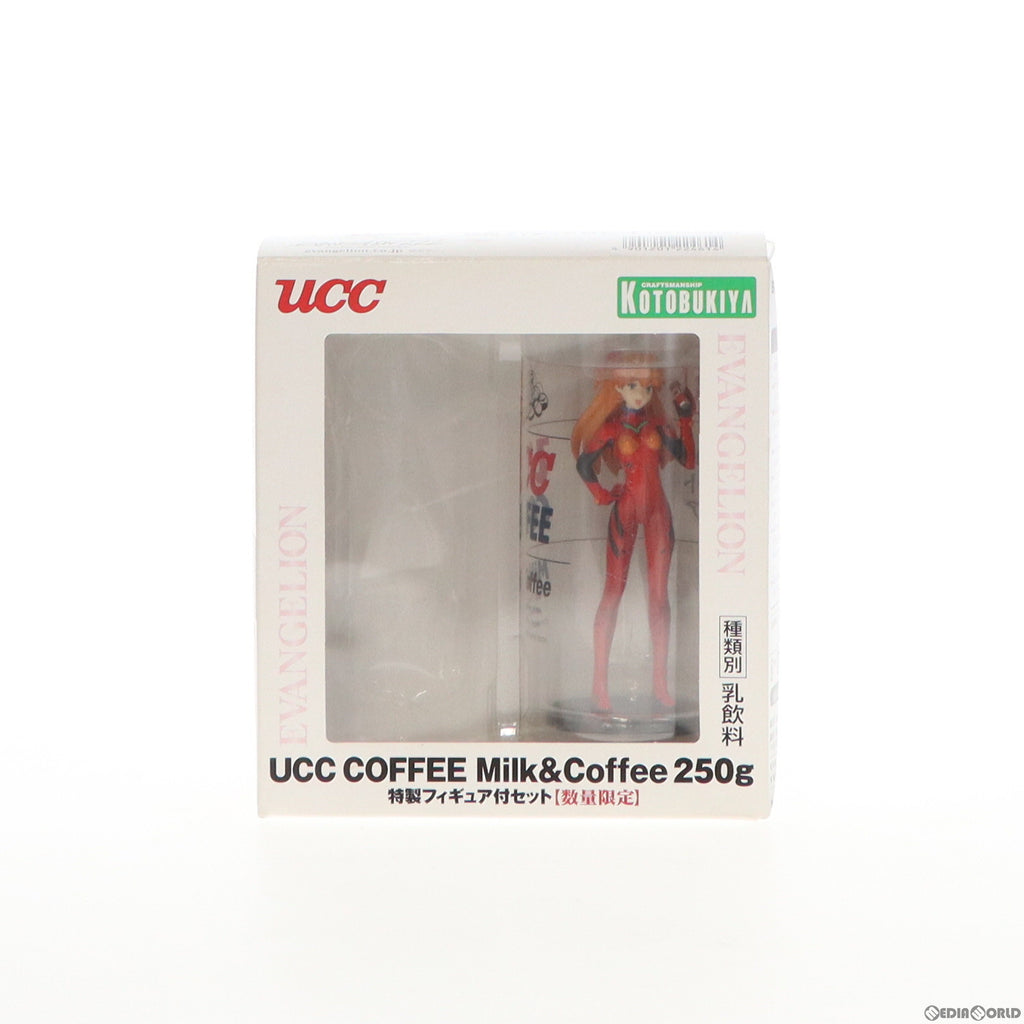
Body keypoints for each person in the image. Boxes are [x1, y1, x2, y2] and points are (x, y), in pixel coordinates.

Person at [571, 358, 696, 711]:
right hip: (625, 510)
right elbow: (584, 463)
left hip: (658, 512)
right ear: (616, 388)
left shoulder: (657, 425)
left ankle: (660, 685)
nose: (639, 393)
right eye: (631, 386)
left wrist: (685, 419)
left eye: (646, 387)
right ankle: (599, 686)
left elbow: (687, 460)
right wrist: (598, 493)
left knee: (659, 596)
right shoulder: (611, 429)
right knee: (612, 593)